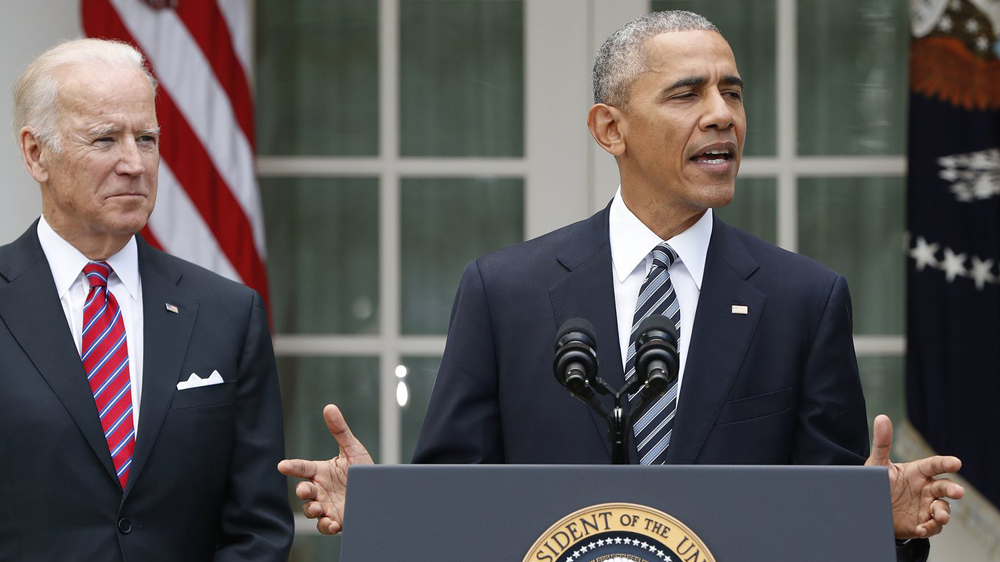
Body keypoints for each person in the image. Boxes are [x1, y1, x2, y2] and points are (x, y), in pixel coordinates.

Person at [279, 10, 964, 558]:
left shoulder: (804, 300)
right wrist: (382, 511)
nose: (722, 114)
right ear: (611, 129)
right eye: (687, 93)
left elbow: (829, 526)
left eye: (731, 91)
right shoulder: (504, 292)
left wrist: (884, 527)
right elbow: (455, 507)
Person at [0, 39, 292, 561]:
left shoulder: (228, 313)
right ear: (36, 153)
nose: (135, 163)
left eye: (147, 138)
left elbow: (258, 531)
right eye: (105, 139)